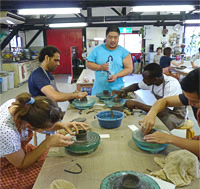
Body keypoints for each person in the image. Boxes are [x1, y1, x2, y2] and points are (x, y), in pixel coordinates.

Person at [0, 92, 88, 188]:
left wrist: (63, 125)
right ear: (29, 126)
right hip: (6, 165)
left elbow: (39, 124)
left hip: (16, 151)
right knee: (48, 173)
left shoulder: (23, 106)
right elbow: (21, 163)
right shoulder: (7, 131)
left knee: (54, 160)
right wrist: (47, 143)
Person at [139, 68, 200, 158]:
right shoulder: (193, 96)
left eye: (194, 101)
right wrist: (151, 114)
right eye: (188, 99)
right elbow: (164, 101)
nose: (190, 104)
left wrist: (170, 138)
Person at [113, 63, 187, 130]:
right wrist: (124, 91)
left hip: (175, 114)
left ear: (155, 79)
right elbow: (137, 86)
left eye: (145, 79)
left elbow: (162, 112)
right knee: (142, 121)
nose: (143, 81)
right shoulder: (152, 81)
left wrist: (137, 104)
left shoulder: (171, 86)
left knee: (153, 129)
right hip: (162, 110)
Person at [86, 26, 133, 95]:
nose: (113, 40)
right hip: (99, 91)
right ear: (106, 37)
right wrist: (100, 67)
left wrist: (116, 75)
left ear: (119, 37)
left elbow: (129, 68)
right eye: (110, 37)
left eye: (115, 37)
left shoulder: (124, 52)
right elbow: (88, 64)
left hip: (117, 92)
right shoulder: (97, 50)